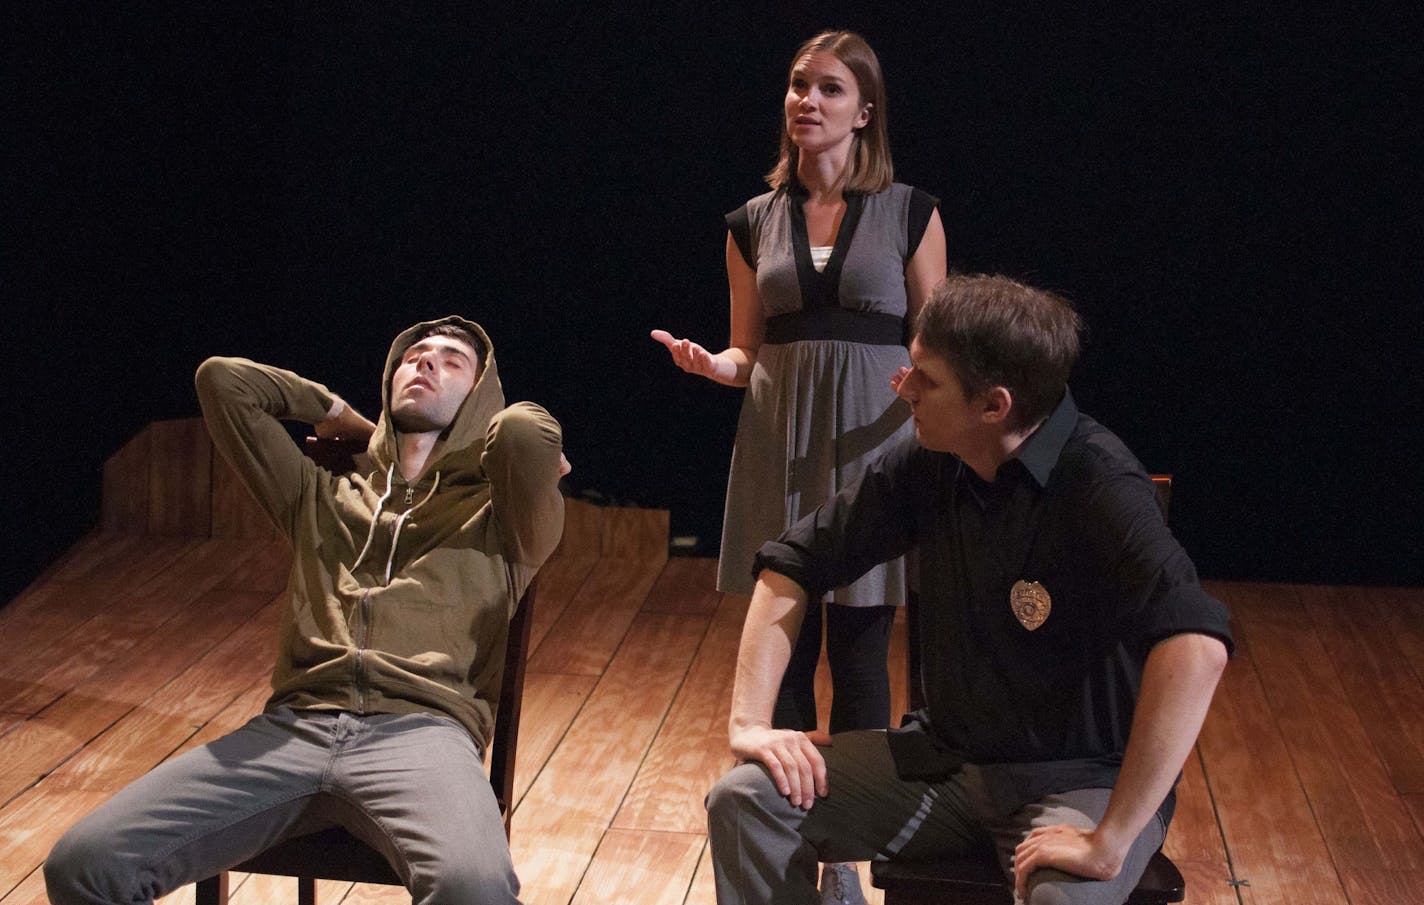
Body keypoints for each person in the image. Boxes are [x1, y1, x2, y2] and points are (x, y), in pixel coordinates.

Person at [705, 274, 1233, 905]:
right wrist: (751, 725)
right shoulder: (931, 461)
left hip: (1077, 781)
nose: (903, 390)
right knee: (748, 801)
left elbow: (1198, 646)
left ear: (994, 406)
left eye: (925, 380)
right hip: (945, 764)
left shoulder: (1097, 482)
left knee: (1062, 900)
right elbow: (793, 562)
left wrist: (1111, 838)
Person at [44, 317, 567, 905]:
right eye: (413, 356)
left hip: (423, 739)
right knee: (85, 863)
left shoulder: (503, 520)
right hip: (291, 731)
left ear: (480, 398)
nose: (424, 363)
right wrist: (334, 411)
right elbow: (222, 382)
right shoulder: (321, 496)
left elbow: (525, 431)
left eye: (451, 362)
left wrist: (500, 446)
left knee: (474, 890)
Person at [653, 35, 945, 897]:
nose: (806, 100)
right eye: (796, 85)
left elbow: (941, 333)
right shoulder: (753, 219)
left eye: (829, 88)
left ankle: (849, 859)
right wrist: (716, 367)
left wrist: (922, 381)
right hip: (779, 443)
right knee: (783, 648)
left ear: (864, 111)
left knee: (859, 659)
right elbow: (750, 349)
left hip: (873, 443)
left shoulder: (911, 210)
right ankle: (794, 849)